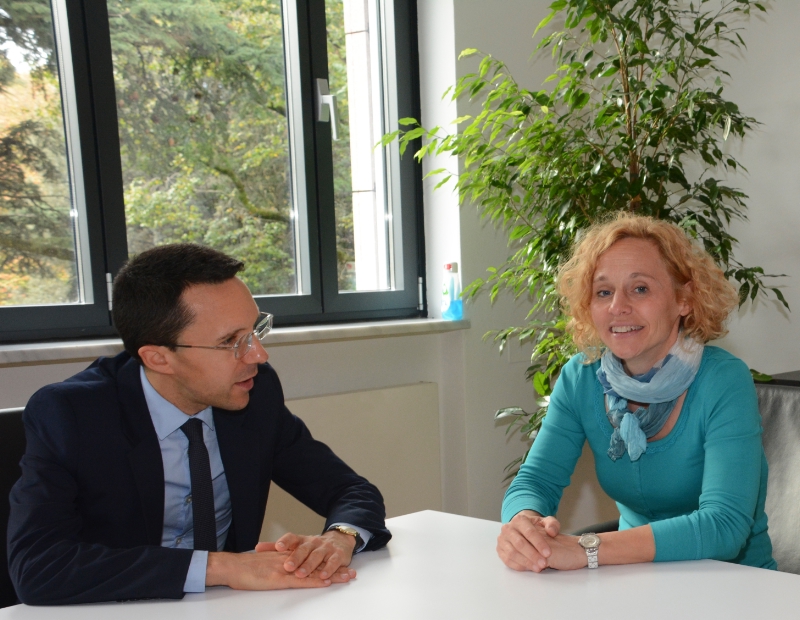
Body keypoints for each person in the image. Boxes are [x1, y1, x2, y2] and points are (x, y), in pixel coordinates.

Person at [7, 244, 391, 605]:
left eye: (255, 330)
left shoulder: (255, 392)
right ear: (158, 358)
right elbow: (38, 567)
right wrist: (222, 567)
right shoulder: (73, 414)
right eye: (231, 342)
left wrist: (341, 537)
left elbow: (349, 489)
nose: (258, 355)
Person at [496, 213, 776, 572]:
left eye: (640, 288)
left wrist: (587, 549)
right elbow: (536, 480)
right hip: (630, 580)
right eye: (603, 292)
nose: (618, 307)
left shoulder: (723, 380)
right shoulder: (581, 378)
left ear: (684, 299)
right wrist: (524, 526)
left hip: (736, 586)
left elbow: (724, 526)